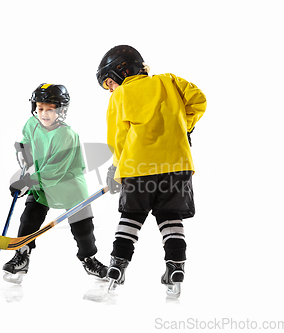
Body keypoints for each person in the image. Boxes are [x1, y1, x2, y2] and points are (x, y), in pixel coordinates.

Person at [96, 45, 207, 297]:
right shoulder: (169, 81)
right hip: (177, 166)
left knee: (131, 217)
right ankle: (175, 266)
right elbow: (199, 100)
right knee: (171, 217)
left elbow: (118, 138)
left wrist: (117, 171)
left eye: (109, 84)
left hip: (138, 167)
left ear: (121, 72)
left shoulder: (120, 95)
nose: (110, 90)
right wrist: (183, 127)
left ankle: (118, 265)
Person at [2, 83, 107, 284]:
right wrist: (23, 156)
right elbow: (26, 142)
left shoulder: (66, 136)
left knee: (83, 230)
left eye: (50, 109)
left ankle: (89, 259)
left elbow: (55, 171)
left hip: (69, 187)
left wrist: (27, 182)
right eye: (40, 108)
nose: (44, 113)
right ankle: (22, 255)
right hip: (40, 182)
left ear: (62, 110)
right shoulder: (31, 124)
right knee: (29, 219)